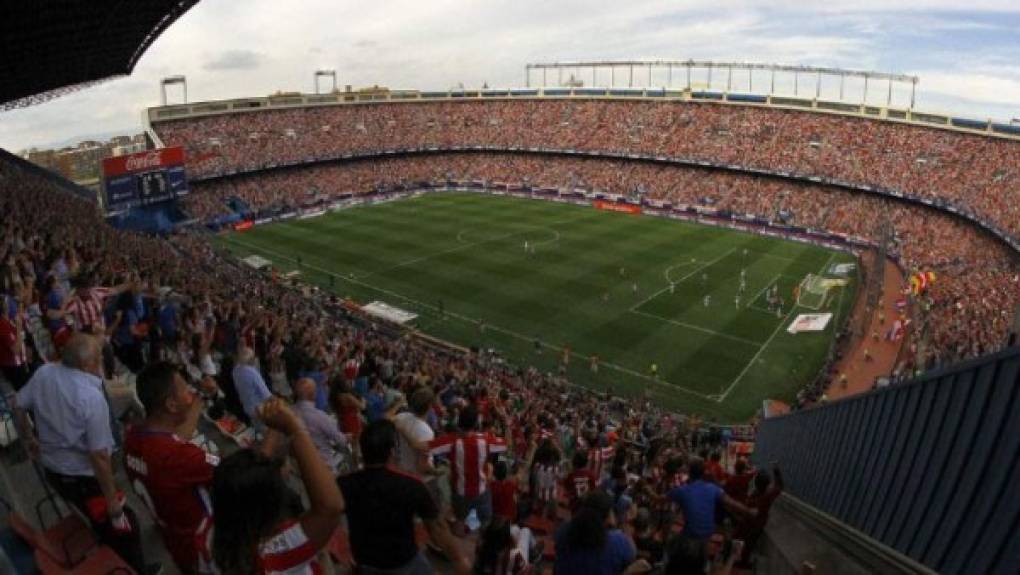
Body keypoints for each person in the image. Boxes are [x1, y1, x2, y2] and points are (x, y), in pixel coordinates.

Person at [13, 334, 152, 572]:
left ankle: (111, 552)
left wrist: (28, 439)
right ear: (88, 364)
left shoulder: (44, 373)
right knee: (126, 526)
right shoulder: (90, 397)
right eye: (98, 356)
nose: (101, 360)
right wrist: (112, 501)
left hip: (54, 470)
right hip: (82, 478)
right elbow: (99, 456)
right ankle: (132, 569)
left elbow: (18, 404)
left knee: (102, 524)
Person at [199, 397, 344, 574]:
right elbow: (330, 507)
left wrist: (276, 427)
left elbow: (247, 479)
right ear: (272, 508)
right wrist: (296, 430)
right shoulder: (273, 556)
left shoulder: (208, 533)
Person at [338, 419, 471, 575]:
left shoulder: (344, 483)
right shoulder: (411, 485)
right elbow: (437, 528)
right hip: (403, 563)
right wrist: (459, 559)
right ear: (392, 451)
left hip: (366, 563)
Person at [125, 362, 219, 573]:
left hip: (174, 541)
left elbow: (174, 440)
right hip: (203, 547)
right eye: (187, 391)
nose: (191, 394)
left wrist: (200, 398)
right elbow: (232, 470)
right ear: (171, 405)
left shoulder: (133, 440)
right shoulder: (181, 457)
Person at [430, 405, 507, 530]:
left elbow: (424, 446)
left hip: (460, 492)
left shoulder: (450, 440)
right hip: (481, 491)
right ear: (476, 422)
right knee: (486, 521)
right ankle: (481, 541)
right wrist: (507, 426)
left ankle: (458, 540)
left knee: (460, 519)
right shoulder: (486, 440)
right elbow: (506, 445)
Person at [554, 491, 650, 575]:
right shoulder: (617, 541)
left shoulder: (564, 530)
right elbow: (632, 553)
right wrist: (627, 523)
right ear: (608, 516)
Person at [666, 458, 755, 543]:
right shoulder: (714, 487)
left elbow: (659, 498)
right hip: (708, 533)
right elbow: (731, 502)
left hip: (690, 535)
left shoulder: (682, 490)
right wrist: (749, 511)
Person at [293, 377, 348, 474]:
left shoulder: (290, 412)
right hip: (323, 464)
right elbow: (341, 440)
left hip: (299, 463)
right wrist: (347, 437)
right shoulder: (320, 417)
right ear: (312, 394)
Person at [733, 465, 783, 567]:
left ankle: (736, 560)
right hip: (758, 525)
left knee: (739, 539)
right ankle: (742, 562)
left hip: (746, 524)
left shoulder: (752, 497)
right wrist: (777, 472)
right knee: (749, 545)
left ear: (756, 483)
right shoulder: (768, 496)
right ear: (767, 484)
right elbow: (779, 487)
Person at [393, 387, 436, 477]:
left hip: (399, 469)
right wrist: (436, 471)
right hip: (414, 476)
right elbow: (422, 466)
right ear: (429, 406)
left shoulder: (399, 417)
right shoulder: (426, 432)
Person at [231, 346, 272, 429]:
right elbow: (266, 395)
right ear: (251, 359)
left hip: (247, 407)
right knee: (265, 429)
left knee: (256, 427)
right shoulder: (252, 373)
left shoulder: (235, 370)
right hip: (259, 409)